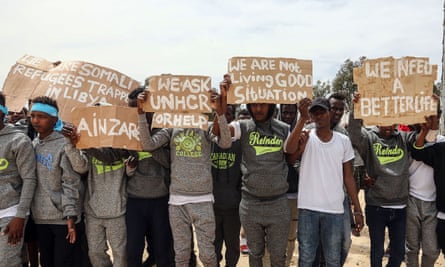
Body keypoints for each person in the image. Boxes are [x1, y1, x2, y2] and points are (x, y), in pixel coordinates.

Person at [137, 87, 232, 267]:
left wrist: (219, 112)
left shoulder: (205, 127)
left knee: (208, 255)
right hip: (177, 201)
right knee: (181, 255)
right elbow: (148, 145)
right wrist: (141, 113)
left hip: (202, 199)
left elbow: (226, 142)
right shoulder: (171, 129)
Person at [220, 77, 292, 267]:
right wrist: (222, 105)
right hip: (250, 204)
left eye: (262, 104)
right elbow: (222, 135)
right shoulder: (242, 127)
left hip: (278, 204)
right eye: (254, 104)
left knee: (278, 257)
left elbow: (292, 153)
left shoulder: (284, 129)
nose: (258, 108)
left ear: (271, 105)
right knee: (255, 254)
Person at [286, 97, 363, 267]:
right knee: (306, 258)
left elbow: (348, 177)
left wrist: (357, 209)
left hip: (334, 211)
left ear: (329, 113)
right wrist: (302, 119)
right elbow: (289, 153)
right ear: (311, 117)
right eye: (315, 113)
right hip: (308, 209)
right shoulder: (306, 135)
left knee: (333, 260)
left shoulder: (343, 141)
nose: (319, 116)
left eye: (322, 112)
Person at [347, 92, 412, 267]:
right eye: (384, 121)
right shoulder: (369, 138)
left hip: (400, 206)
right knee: (376, 252)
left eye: (391, 121)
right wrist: (355, 108)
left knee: (398, 253)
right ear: (376, 119)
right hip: (376, 206)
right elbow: (353, 134)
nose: (388, 126)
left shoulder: (404, 139)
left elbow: (423, 137)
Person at [63, 114, 136, 267]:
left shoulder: (123, 146)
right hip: (93, 212)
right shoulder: (88, 148)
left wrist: (130, 168)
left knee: (120, 253)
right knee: (95, 252)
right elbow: (80, 167)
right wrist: (70, 143)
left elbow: (129, 174)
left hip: (117, 212)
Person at [30, 96, 82, 267]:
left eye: (42, 116)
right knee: (45, 262)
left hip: (62, 219)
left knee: (63, 262)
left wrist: (70, 215)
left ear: (54, 119)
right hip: (40, 217)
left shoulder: (64, 144)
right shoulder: (33, 144)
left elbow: (70, 182)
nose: (36, 120)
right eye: (33, 116)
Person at [126, 87, 174, 267]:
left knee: (162, 251)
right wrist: (129, 169)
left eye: (140, 108)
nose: (137, 112)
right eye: (132, 108)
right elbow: (122, 169)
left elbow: (170, 162)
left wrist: (150, 145)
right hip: (134, 200)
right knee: (133, 251)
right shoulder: (125, 133)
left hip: (160, 200)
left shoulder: (164, 131)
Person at [0, 93, 37, 267]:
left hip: (10, 212)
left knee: (7, 262)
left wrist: (20, 217)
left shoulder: (19, 141)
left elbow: (29, 180)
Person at [409, 113, 444, 266]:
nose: (428, 120)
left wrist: (431, 129)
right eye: (426, 116)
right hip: (411, 200)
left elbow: (430, 143)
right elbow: (418, 151)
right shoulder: (407, 139)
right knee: (411, 248)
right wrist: (424, 131)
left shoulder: (441, 143)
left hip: (433, 205)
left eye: (433, 117)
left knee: (431, 250)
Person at [211, 104, 242, 267]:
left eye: (228, 115)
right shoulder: (208, 141)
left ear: (233, 118)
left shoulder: (240, 143)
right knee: (213, 246)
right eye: (220, 115)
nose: (224, 119)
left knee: (232, 246)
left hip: (233, 207)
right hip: (212, 206)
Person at [279, 103, 299, 266]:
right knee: (272, 235)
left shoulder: (303, 131)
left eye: (291, 113)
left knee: (291, 237)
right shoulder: (273, 131)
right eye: (285, 112)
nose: (288, 116)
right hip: (275, 194)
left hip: (294, 193)